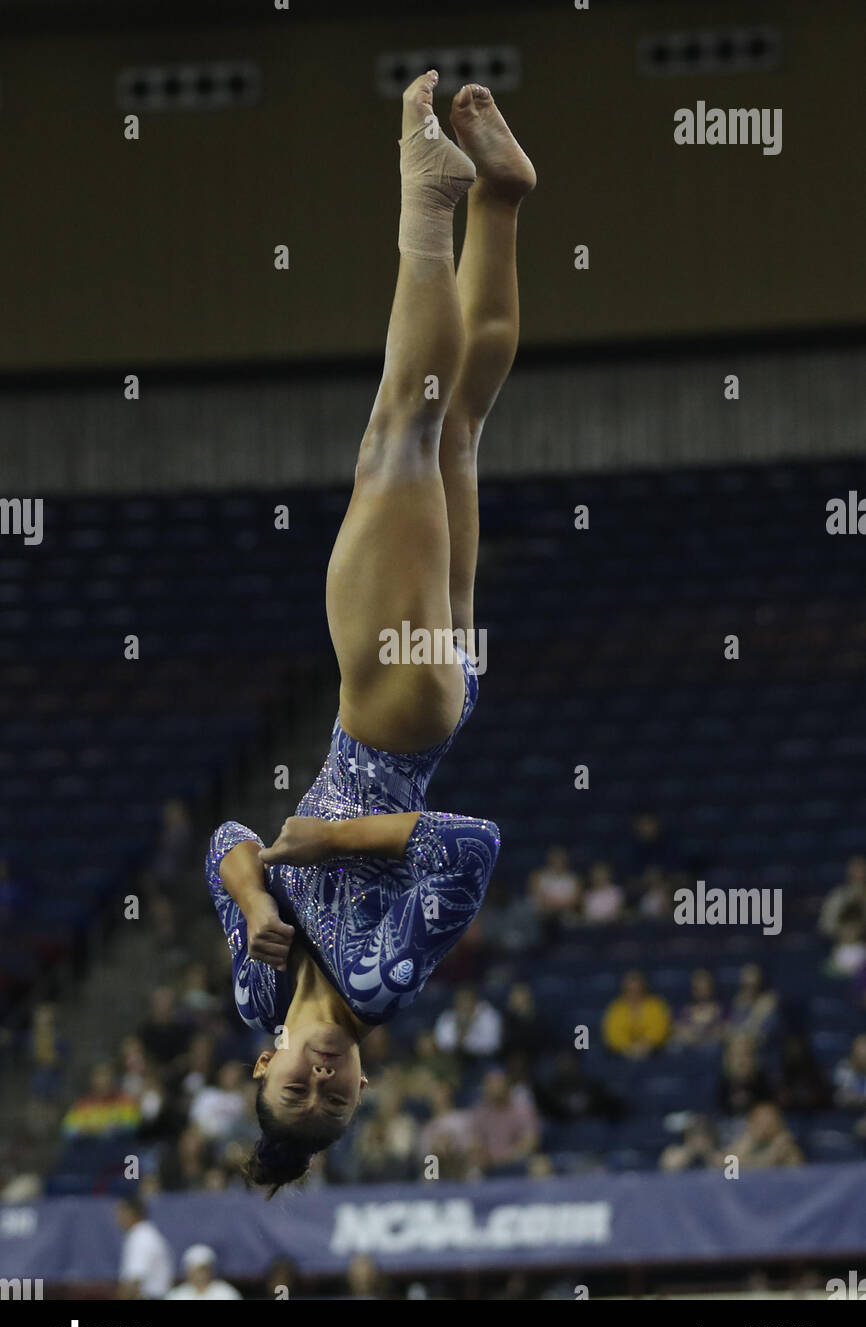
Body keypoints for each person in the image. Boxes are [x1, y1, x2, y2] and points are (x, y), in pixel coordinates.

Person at [205, 72, 534, 1196]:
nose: (325, 1079)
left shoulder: (258, 983)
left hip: (429, 698)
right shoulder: (385, 979)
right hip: (392, 718)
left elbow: (225, 846)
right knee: (402, 424)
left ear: (264, 1057)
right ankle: (426, 196)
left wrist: (255, 901)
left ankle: (498, 198)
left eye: (299, 1085)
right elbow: (469, 844)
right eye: (337, 1097)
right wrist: (319, 846)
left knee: (457, 430)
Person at [471, 1067, 540, 1172]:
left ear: (507, 1085)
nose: (495, 1087)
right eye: (491, 1083)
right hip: (488, 1164)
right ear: (485, 1087)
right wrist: (481, 1155)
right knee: (470, 1166)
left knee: (540, 1165)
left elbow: (530, 1142)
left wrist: (503, 1158)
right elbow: (475, 1143)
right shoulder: (480, 1112)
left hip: (517, 1162)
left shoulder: (522, 1109)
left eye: (499, 1082)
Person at [115, 1195, 174, 1300]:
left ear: (131, 1213)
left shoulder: (141, 1237)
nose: (117, 1219)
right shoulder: (146, 1233)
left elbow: (134, 1282)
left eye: (120, 1213)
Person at [602, 970, 671, 1058]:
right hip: (622, 1054)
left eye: (637, 989)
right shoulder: (617, 1008)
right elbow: (612, 1033)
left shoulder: (655, 1005)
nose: (634, 993)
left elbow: (659, 1029)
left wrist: (646, 1044)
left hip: (654, 1052)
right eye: (630, 990)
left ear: (643, 988)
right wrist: (627, 1047)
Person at [726, 1102, 803, 1169]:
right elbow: (724, 1162)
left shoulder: (784, 1144)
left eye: (768, 1122)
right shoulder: (746, 1141)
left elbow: (766, 1165)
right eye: (759, 1122)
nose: (764, 1127)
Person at [434, 984, 503, 1058]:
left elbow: (492, 1045)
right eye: (460, 999)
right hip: (453, 1058)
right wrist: (460, 1035)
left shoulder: (489, 1015)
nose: (463, 1003)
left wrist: (469, 1034)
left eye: (466, 999)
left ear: (474, 1000)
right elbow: (442, 1043)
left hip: (483, 1058)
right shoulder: (448, 1016)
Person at [671, 968, 726, 1049]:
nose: (702, 991)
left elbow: (725, 1029)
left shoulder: (720, 1008)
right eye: (698, 988)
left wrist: (707, 1036)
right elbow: (676, 1027)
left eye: (705, 987)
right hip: (688, 1044)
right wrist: (688, 1036)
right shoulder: (684, 1009)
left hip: (711, 1045)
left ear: (711, 987)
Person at [165, 1244, 241, 1300]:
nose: (199, 1275)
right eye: (194, 1271)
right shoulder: (177, 1295)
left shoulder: (226, 1293)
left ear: (211, 1270)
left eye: (202, 1270)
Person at [818, 855, 866, 938]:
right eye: (856, 871)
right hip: (844, 944)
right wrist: (845, 931)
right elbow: (826, 926)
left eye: (862, 870)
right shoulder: (838, 896)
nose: (859, 875)